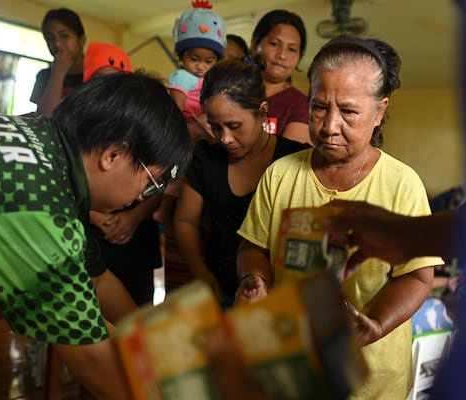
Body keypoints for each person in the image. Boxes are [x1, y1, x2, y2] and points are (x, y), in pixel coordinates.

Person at [0, 72, 193, 399]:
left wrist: (148, 337)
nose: (145, 196)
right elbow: (92, 360)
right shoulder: (38, 207)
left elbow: (97, 279)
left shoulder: (40, 139)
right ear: (113, 154)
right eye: (152, 181)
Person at [235, 36, 443, 400]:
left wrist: (375, 324)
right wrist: (255, 279)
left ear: (379, 112)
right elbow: (252, 246)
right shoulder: (281, 174)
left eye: (348, 112)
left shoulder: (401, 185)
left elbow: (419, 276)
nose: (330, 125)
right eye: (318, 107)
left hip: (371, 381)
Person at [174, 58, 310, 308]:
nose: (225, 138)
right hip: (220, 292)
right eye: (215, 127)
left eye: (234, 126)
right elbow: (185, 220)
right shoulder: (207, 159)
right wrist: (202, 274)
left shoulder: (296, 160)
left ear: (262, 112)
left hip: (283, 298)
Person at [82, 42, 163, 307]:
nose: (109, 91)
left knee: (138, 300)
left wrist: (133, 217)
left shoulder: (142, 128)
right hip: (92, 230)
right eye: (100, 81)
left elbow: (159, 181)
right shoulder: (76, 128)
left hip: (137, 235)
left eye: (117, 82)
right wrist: (96, 216)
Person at [168, 0, 226, 145]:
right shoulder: (182, 77)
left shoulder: (210, 79)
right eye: (194, 59)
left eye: (208, 61)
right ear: (181, 56)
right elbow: (175, 111)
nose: (200, 66)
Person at [249, 9, 311, 144]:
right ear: (254, 45)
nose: (282, 55)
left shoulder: (301, 104)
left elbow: (289, 159)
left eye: (291, 49)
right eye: (274, 44)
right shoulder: (232, 89)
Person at [30, 7, 86, 117]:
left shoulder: (96, 75)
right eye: (50, 38)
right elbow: (45, 118)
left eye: (64, 36)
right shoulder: (44, 76)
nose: (57, 44)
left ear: (81, 40)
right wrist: (58, 74)